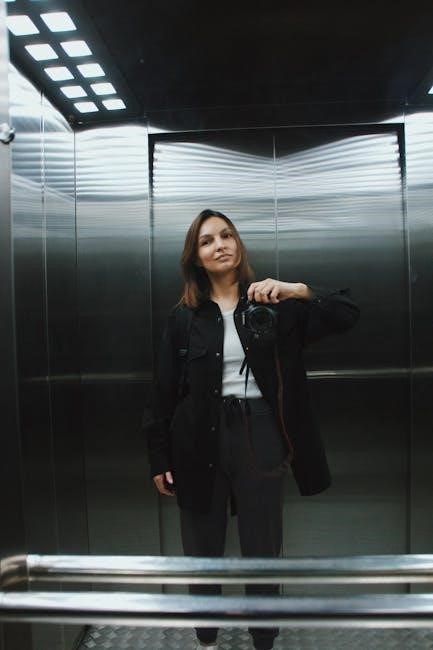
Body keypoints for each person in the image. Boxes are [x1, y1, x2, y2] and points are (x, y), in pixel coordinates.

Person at [147, 208, 360, 650]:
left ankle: (264, 638)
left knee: (262, 544)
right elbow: (163, 391)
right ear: (195, 257)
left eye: (226, 236)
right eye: (207, 241)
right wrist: (159, 457)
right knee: (201, 546)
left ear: (238, 245)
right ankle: (206, 638)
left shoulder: (274, 304)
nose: (220, 245)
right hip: (196, 437)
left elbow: (347, 313)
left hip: (259, 432)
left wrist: (296, 289)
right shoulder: (184, 317)